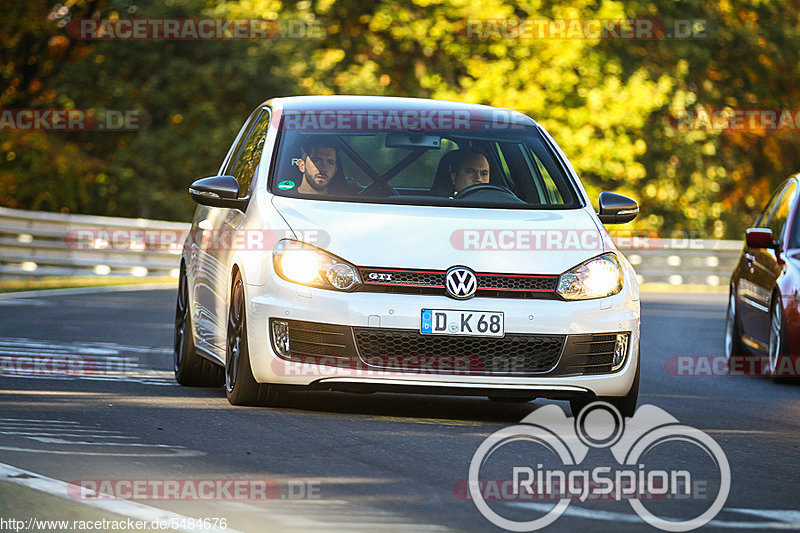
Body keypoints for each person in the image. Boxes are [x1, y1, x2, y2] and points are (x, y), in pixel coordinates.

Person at [294, 139, 361, 195]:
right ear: (302, 166)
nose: (323, 168)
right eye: (316, 161)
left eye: (330, 163)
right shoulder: (285, 200)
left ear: (335, 170)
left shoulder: (343, 203)